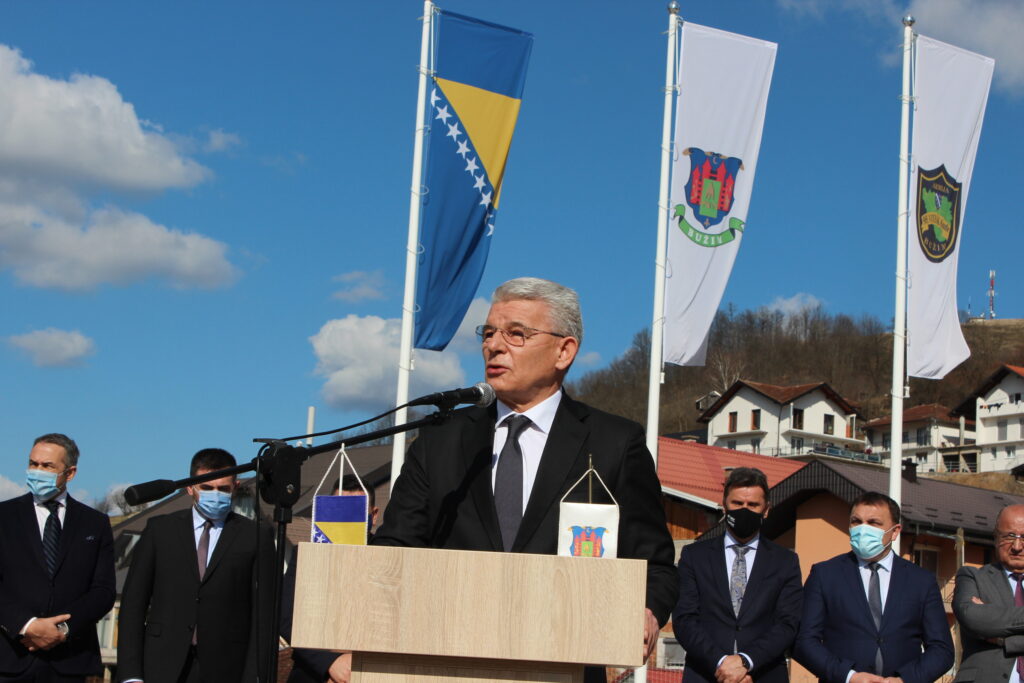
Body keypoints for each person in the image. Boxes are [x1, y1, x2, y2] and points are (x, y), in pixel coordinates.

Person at [373, 277, 678, 678]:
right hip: (450, 660)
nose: (494, 346)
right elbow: (395, 551)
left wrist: (647, 610)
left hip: (565, 662)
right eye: (488, 333)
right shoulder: (440, 440)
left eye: (516, 334)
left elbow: (655, 565)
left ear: (564, 351)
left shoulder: (614, 444)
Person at [117, 448, 275, 683]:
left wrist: (254, 676)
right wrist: (131, 674)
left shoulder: (255, 536)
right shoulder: (160, 530)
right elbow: (133, 604)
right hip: (161, 664)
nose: (215, 494)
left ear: (235, 487)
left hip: (226, 667)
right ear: (190, 487)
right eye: (207, 487)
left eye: (223, 489)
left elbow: (263, 615)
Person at [793, 492, 953, 683]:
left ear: (895, 531)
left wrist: (905, 680)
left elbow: (941, 650)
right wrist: (848, 676)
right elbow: (804, 642)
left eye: (873, 523)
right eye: (856, 521)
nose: (863, 529)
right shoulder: (825, 575)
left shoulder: (921, 581)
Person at [0, 433, 115, 683]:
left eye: (47, 466)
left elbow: (103, 591)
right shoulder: (4, 516)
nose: (37, 471)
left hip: (70, 662)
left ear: (70, 473)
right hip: (10, 658)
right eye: (33, 463)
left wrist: (61, 630)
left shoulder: (95, 523)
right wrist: (27, 625)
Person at [673, 467, 802, 683]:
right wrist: (721, 663)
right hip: (706, 674)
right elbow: (684, 619)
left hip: (763, 675)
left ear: (766, 510)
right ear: (724, 505)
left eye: (753, 505)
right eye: (737, 503)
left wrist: (745, 662)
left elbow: (788, 623)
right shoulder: (694, 556)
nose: (744, 510)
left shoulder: (785, 561)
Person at [283, 475, 379, 683]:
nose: (348, 518)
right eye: (340, 509)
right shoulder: (307, 555)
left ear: (373, 515)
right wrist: (329, 663)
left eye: (356, 511)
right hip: (313, 673)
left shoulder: (388, 557)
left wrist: (358, 661)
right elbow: (286, 616)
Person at [952, 503, 1024, 683]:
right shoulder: (972, 576)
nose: (1017, 546)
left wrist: (1004, 640)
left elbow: (987, 619)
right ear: (996, 538)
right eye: (1009, 536)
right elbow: (973, 618)